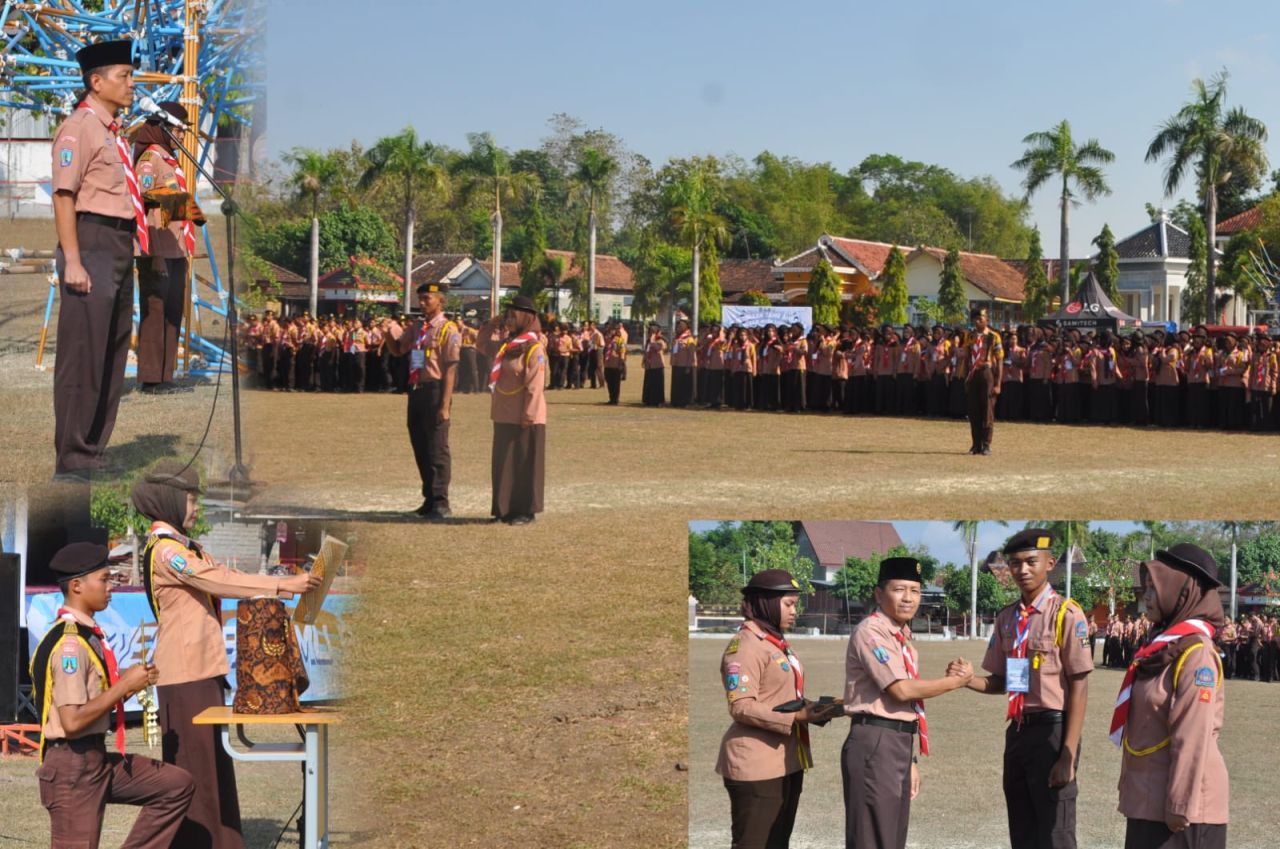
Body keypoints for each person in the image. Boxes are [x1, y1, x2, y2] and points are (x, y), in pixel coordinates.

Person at [131, 462, 319, 849]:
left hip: (201, 672)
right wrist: (284, 584)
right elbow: (218, 580)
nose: (196, 507)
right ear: (169, 502)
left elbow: (224, 575)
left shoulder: (184, 546)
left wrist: (280, 585)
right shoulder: (167, 551)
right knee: (194, 774)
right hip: (185, 676)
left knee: (214, 768)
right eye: (190, 499)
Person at [31, 541, 196, 849]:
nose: (111, 588)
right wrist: (123, 687)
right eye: (104, 580)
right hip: (72, 765)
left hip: (94, 759)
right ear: (77, 586)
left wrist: (127, 684)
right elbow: (71, 721)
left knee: (176, 785)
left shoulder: (87, 635)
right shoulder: (71, 645)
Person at [957, 529, 1092, 849]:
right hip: (1018, 733)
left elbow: (1079, 687)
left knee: (1056, 832)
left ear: (1050, 562)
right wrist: (968, 679)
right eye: (1015, 564)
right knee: (1022, 830)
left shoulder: (1066, 615)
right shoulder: (1007, 619)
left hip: (1054, 733)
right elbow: (1002, 681)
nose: (1022, 570)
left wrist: (1067, 755)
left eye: (1031, 561)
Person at [50, 39, 145, 480]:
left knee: (111, 351)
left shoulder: (112, 130)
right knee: (83, 354)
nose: (131, 83)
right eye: (124, 76)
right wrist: (73, 260)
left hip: (120, 244)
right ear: (96, 81)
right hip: (91, 241)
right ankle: (72, 456)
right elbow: (65, 197)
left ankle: (94, 449)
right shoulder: (80, 127)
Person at [842, 556, 971, 849]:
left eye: (914, 591)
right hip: (876, 740)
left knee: (891, 837)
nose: (908, 598)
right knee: (872, 838)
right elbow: (900, 691)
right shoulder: (872, 632)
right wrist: (955, 682)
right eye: (899, 589)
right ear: (879, 593)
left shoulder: (901, 636)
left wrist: (910, 759)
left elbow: (904, 705)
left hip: (897, 740)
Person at [1113, 543, 1227, 849]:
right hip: (1148, 803)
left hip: (1182, 814)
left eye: (1154, 588)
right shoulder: (1162, 646)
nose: (1146, 597)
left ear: (1180, 592)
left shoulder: (1196, 653)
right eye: (1146, 588)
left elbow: (1191, 736)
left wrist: (1179, 805)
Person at [716, 570, 838, 849]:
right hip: (756, 765)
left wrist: (819, 708)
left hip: (786, 760)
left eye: (795, 604)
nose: (795, 611)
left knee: (777, 842)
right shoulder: (745, 647)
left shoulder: (776, 642)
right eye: (788, 604)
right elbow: (741, 706)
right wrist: (797, 716)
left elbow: (781, 696)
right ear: (765, 603)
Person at [132, 100, 201, 394]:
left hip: (175, 250)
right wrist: (155, 255)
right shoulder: (150, 160)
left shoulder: (169, 160)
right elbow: (147, 211)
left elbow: (171, 207)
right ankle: (151, 379)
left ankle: (166, 376)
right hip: (157, 251)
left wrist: (191, 213)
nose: (182, 136)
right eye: (178, 129)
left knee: (173, 314)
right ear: (163, 129)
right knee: (155, 313)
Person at [387, 281, 461, 520]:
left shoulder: (447, 329)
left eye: (427, 299)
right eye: (420, 299)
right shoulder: (418, 327)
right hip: (416, 390)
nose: (422, 303)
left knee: (437, 448)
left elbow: (450, 368)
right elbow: (398, 349)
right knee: (420, 445)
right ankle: (429, 498)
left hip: (435, 390)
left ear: (440, 300)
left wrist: (445, 404)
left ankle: (441, 502)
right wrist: (389, 333)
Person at [477, 296, 546, 525]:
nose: (509, 319)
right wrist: (491, 324)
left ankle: (525, 511)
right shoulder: (508, 345)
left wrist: (528, 415)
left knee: (524, 463)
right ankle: (503, 509)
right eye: (507, 314)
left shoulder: (533, 347)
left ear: (526, 317)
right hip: (504, 412)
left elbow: (535, 385)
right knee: (503, 463)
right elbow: (482, 347)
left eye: (513, 315)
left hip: (526, 415)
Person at [965, 309, 1003, 454]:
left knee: (987, 410)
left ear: (987, 319)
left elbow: (999, 361)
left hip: (986, 374)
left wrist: (998, 384)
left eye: (980, 318)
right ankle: (976, 444)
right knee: (973, 411)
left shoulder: (994, 337)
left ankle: (986, 444)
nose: (977, 321)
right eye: (974, 318)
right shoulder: (969, 336)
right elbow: (967, 356)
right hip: (972, 375)